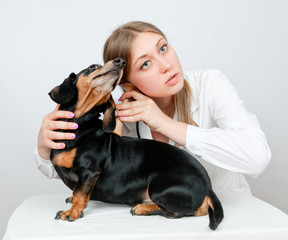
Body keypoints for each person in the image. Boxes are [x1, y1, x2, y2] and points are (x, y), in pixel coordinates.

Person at [34, 21, 271, 194]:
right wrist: (44, 146)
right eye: (146, 64)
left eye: (163, 48)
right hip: (158, 218)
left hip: (230, 215)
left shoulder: (211, 84)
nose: (166, 65)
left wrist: (165, 124)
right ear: (126, 83)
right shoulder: (120, 116)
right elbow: (83, 169)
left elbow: (257, 158)